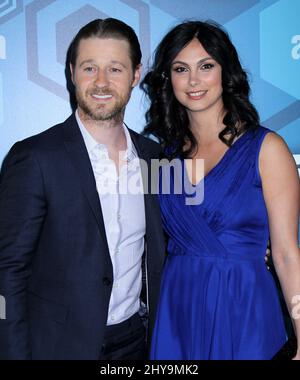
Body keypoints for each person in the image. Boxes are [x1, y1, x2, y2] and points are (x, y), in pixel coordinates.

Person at [0, 18, 165, 360]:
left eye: (115, 69)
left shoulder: (154, 158)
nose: (101, 82)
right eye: (90, 68)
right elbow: (7, 272)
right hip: (57, 347)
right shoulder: (34, 158)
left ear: (135, 75)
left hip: (137, 343)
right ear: (72, 72)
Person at [141, 20, 300, 360]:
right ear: (169, 80)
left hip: (244, 306)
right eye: (181, 69)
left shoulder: (267, 147)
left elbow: (286, 254)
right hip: (178, 307)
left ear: (226, 73)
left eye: (206, 66)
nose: (194, 80)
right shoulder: (164, 157)